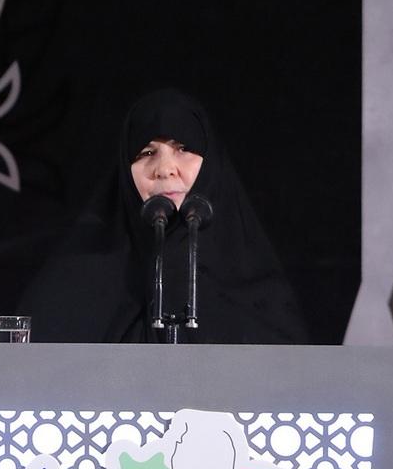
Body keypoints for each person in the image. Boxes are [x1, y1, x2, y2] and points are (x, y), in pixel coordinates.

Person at [26, 88, 308, 344]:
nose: (164, 169)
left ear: (210, 163)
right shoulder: (78, 279)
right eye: (147, 152)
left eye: (183, 149)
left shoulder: (256, 288)